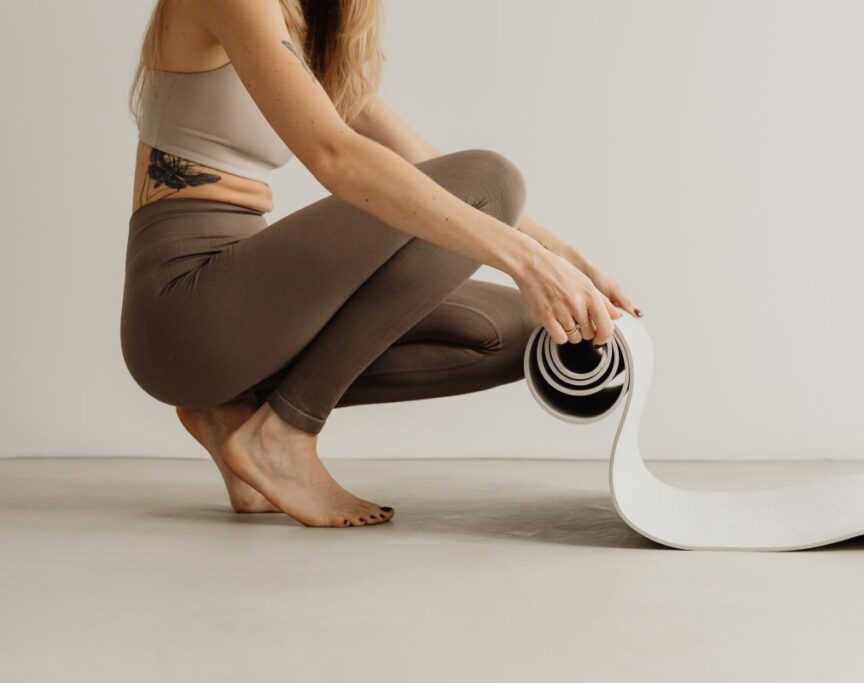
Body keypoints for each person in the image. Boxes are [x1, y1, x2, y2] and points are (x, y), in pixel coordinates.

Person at [121, 0, 642, 529]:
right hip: (184, 310)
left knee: (528, 329)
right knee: (490, 180)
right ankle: (283, 434)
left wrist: (569, 260)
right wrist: (527, 264)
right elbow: (337, 156)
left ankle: (235, 410)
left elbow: (421, 163)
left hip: (246, 319)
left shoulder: (305, 21)